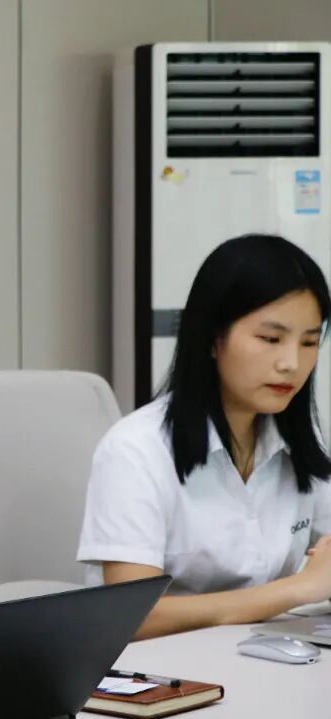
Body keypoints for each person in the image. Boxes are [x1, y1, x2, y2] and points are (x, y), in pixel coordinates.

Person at [79, 233, 331, 639]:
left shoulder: (300, 439)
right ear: (213, 338)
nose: (291, 363)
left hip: (263, 655)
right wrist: (299, 589)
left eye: (309, 342)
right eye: (271, 339)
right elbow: (132, 615)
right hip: (159, 668)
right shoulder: (135, 449)